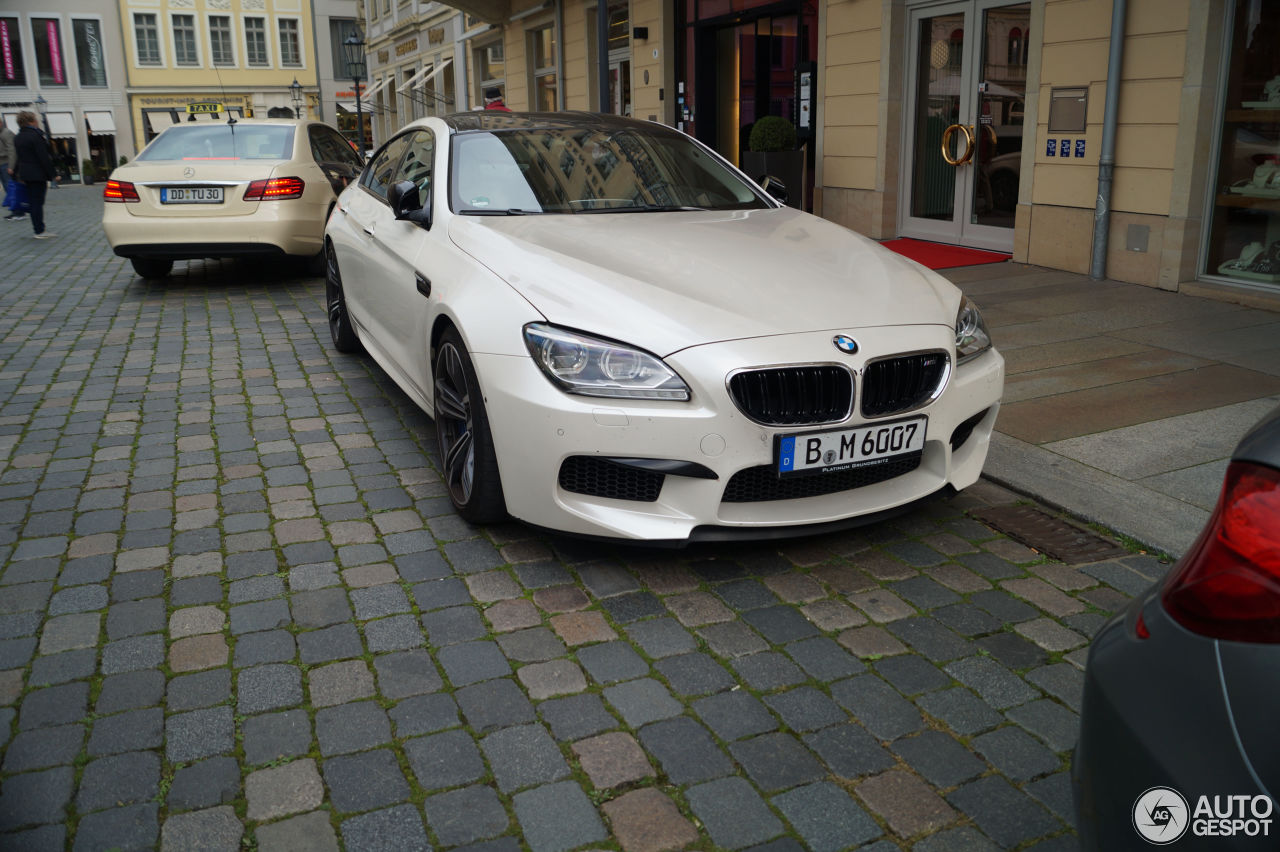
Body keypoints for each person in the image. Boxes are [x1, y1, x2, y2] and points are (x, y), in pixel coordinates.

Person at [13, 110, 58, 238]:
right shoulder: (35, 136)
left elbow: (19, 157)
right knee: (37, 202)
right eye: (36, 120)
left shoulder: (18, 137)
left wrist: (16, 173)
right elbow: (43, 157)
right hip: (37, 174)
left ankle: (38, 228)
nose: (38, 122)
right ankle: (39, 230)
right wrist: (53, 175)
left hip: (26, 174)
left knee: (33, 202)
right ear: (31, 122)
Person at [0, 123, 23, 221]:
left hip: (6, 163)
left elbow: (12, 150)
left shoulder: (6, 133)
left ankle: (18, 212)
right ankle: (15, 210)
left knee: (11, 188)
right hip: (2, 163)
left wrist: (11, 166)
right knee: (8, 188)